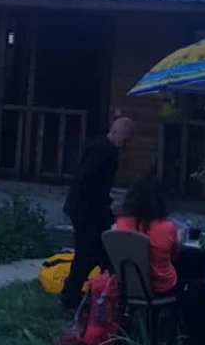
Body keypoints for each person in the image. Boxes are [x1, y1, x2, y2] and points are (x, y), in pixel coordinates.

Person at [59, 116, 134, 310]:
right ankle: (75, 296)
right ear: (115, 132)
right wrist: (108, 203)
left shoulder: (101, 147)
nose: (126, 145)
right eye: (125, 139)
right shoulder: (104, 152)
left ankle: (99, 292)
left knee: (98, 252)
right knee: (88, 253)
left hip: (87, 208)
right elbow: (88, 182)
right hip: (87, 210)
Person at [113, 174, 179, 296]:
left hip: (129, 287)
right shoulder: (167, 227)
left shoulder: (122, 223)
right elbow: (174, 254)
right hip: (162, 287)